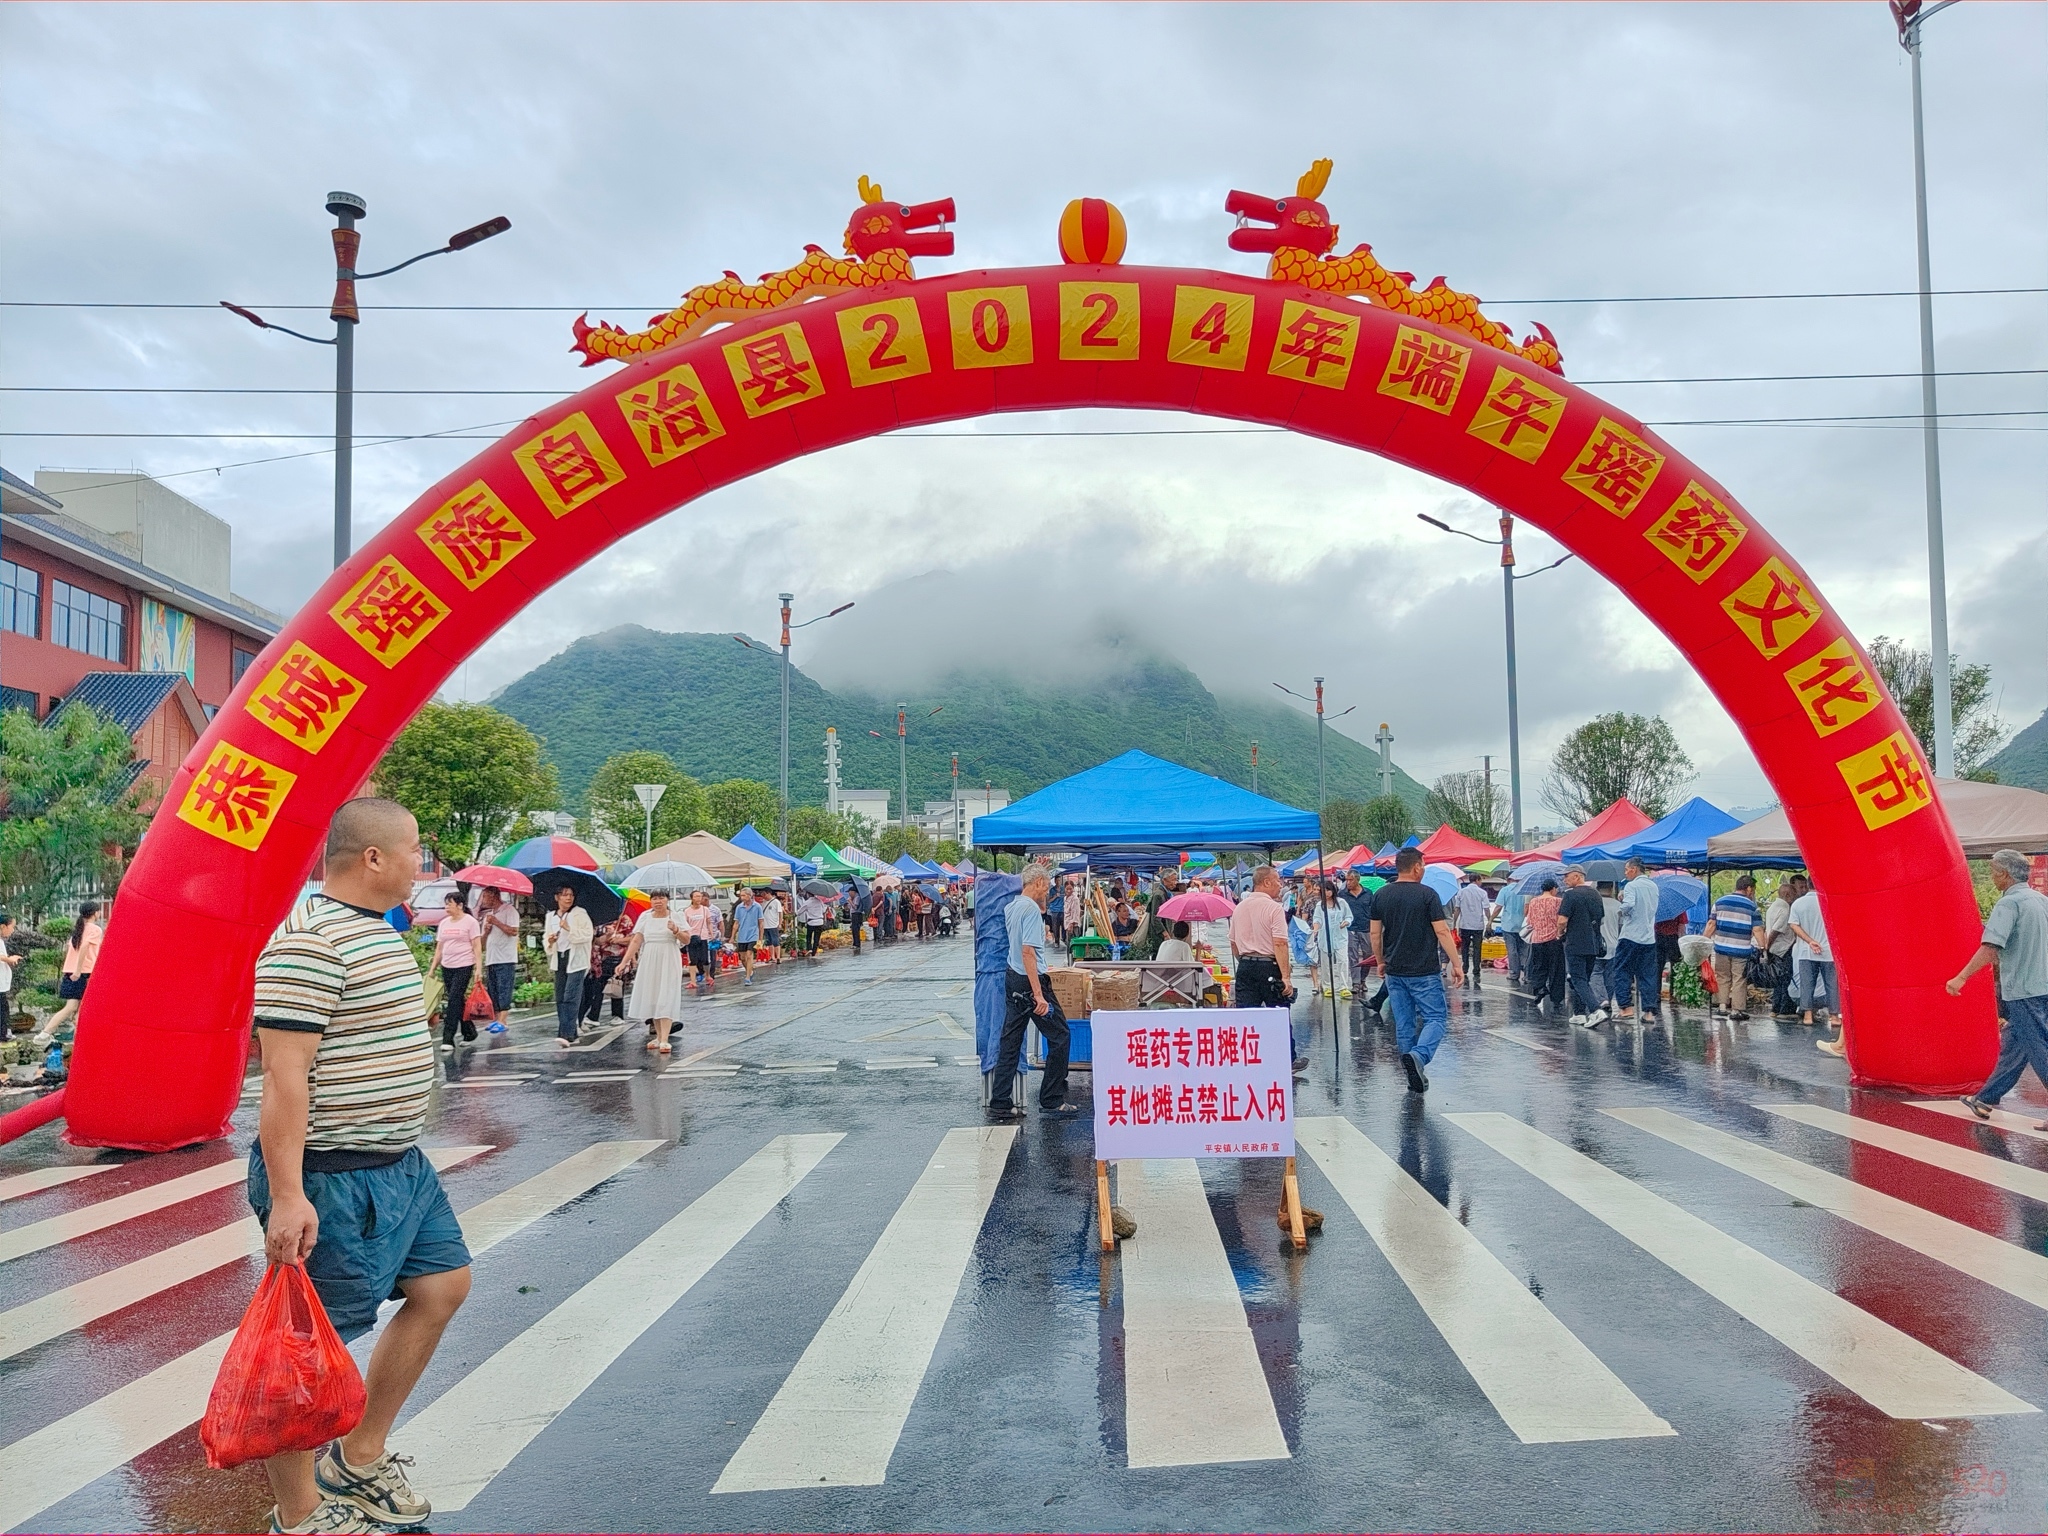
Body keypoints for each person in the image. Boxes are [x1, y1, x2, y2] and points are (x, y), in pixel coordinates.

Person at [247, 798, 468, 1535]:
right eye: (414, 851)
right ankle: (300, 1512)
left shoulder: (376, 933)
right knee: (308, 1349)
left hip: (399, 1165)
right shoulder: (309, 944)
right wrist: (287, 1195)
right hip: (332, 1178)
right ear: (373, 858)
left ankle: (359, 1457)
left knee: (442, 1286)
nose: (422, 865)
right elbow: (284, 1078)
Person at [1955, 849, 2048, 1128]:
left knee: (2039, 1049)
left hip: (2023, 989)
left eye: (1994, 871)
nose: (1993, 877)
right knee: (2015, 1044)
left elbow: (1991, 947)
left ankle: (1987, 1097)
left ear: (2004, 875)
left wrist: (1961, 977)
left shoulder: (2009, 905)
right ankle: (1986, 1098)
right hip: (2042, 986)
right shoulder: (2041, 900)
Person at [986, 864, 1078, 1122]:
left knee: (1011, 1041)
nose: (1049, 888)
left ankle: (1000, 1101)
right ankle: (1052, 1099)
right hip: (1030, 982)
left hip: (1012, 977)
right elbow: (1028, 952)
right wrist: (1039, 995)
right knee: (1060, 1035)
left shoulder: (1013, 906)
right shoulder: (1029, 911)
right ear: (1037, 881)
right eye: (1047, 884)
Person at [1371, 847, 1461, 1093]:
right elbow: (1442, 931)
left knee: (1404, 1023)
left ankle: (1412, 1074)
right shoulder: (1428, 895)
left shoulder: (1380, 895)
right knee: (1436, 1018)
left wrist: (1380, 961)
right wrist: (1456, 962)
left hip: (1394, 970)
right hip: (1424, 971)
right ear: (1417, 867)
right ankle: (1419, 1057)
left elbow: (1375, 934)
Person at [1229, 865, 1300, 1071]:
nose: (1280, 885)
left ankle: (1245, 1059)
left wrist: (1244, 960)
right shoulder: (1273, 908)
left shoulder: (1239, 907)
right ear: (1266, 882)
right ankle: (1288, 1059)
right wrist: (1286, 976)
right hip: (1269, 966)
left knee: (1247, 1016)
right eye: (1277, 880)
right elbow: (1280, 943)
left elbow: (1233, 942)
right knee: (1278, 1014)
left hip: (1245, 965)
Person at [622, 890, 687, 1053]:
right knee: (653, 996)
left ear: (667, 900)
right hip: (649, 957)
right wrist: (625, 960)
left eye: (661, 898)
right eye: (655, 899)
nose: (658, 902)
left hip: (669, 957)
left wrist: (676, 930)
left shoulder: (676, 916)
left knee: (666, 995)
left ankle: (665, 1039)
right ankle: (658, 1036)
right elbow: (637, 939)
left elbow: (687, 939)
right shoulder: (645, 917)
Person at [39, 899, 103, 1043]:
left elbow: (71, 950)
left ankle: (75, 1040)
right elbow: (85, 947)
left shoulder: (78, 929)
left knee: (79, 1008)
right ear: (95, 913)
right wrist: (79, 970)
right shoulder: (95, 929)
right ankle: (46, 1032)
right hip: (83, 972)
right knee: (74, 1006)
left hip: (71, 971)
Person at [1788, 876, 1838, 1050]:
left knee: (1807, 984)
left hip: (1806, 951)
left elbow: (1793, 925)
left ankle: (1808, 1016)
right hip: (1828, 951)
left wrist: (1809, 941)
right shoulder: (1828, 901)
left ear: (1807, 885)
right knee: (1831, 984)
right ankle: (1834, 1017)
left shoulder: (1798, 904)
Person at [1610, 858, 1662, 1022]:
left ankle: (1626, 1008)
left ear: (1633, 869)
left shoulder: (1631, 886)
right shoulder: (1653, 886)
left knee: (1622, 971)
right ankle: (1648, 1012)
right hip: (1648, 937)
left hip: (1630, 935)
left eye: (1626, 870)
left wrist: (1621, 908)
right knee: (1648, 975)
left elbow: (1629, 904)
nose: (1625, 873)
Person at [542, 885, 593, 1047]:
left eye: (571, 895)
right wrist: (549, 941)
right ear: (557, 897)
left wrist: (568, 928)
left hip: (576, 959)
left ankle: (566, 1033)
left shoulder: (580, 913)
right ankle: (569, 1031)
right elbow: (546, 937)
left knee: (571, 996)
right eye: (564, 895)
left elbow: (587, 935)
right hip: (560, 958)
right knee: (560, 996)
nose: (568, 898)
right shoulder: (550, 916)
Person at [1705, 875, 1761, 1023]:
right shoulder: (1752, 907)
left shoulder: (1720, 901)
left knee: (1722, 977)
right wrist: (1763, 946)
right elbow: (1757, 930)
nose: (1753, 893)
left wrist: (1703, 940)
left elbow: (1712, 923)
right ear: (1748, 888)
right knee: (1739, 979)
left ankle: (1722, 1006)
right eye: (1753, 890)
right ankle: (1737, 1010)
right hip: (1741, 950)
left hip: (1721, 947)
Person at [430, 893, 481, 1050]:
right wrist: (432, 969)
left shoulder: (470, 922)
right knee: (458, 1000)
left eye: (450, 904)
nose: (447, 907)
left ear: (460, 905)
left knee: (453, 999)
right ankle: (469, 1031)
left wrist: (479, 968)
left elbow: (477, 946)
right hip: (447, 965)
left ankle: (448, 1038)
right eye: (445, 904)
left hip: (464, 965)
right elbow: (439, 948)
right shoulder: (444, 923)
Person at [1557, 869, 1607, 1024]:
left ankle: (1595, 1010)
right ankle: (1579, 1013)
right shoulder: (1596, 895)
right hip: (1593, 943)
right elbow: (1601, 919)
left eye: (1566, 877)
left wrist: (1560, 933)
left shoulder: (1570, 895)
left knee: (1578, 979)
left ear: (1577, 876)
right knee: (1584, 978)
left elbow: (1562, 920)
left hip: (1575, 942)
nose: (1564, 880)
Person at [477, 888, 519, 1035]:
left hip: (506, 958)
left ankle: (503, 1020)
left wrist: (497, 922)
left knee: (504, 988)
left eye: (485, 897)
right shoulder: (488, 915)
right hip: (491, 958)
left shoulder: (509, 910)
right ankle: (496, 1019)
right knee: (493, 990)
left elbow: (514, 931)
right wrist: (486, 931)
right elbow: (481, 944)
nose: (483, 900)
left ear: (494, 896)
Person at [1762, 875, 1804, 1019]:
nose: (1795, 897)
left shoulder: (1772, 907)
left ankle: (1775, 1008)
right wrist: (1767, 946)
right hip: (1783, 949)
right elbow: (1776, 930)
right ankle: (1785, 1009)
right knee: (1785, 979)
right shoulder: (1786, 909)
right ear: (1787, 894)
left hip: (1774, 950)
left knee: (1778, 980)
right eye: (1793, 894)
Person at [1524, 878, 1565, 1016]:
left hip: (1537, 939)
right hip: (1554, 939)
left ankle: (1539, 988)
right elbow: (1562, 920)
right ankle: (1556, 998)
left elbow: (1530, 921)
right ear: (1553, 888)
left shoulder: (1534, 902)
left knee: (1539, 966)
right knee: (1556, 969)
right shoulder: (1558, 901)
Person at [584, 912, 632, 1023]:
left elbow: (633, 939)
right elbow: (594, 939)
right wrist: (607, 937)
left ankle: (617, 1015)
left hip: (619, 958)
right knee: (598, 988)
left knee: (616, 986)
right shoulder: (599, 920)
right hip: (600, 959)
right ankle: (593, 1016)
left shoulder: (625, 920)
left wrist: (618, 940)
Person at [1313, 880, 1353, 998]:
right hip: (1325, 937)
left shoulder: (1342, 903)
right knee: (1326, 963)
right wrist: (1315, 930)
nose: (1326, 893)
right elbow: (1317, 919)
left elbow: (1349, 916)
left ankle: (1344, 987)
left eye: (1328, 890)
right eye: (1323, 890)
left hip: (1340, 937)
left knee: (1343, 960)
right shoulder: (1320, 905)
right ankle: (1327, 986)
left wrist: (1346, 922)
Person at [1450, 874, 1490, 987]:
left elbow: (1457, 909)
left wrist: (1454, 923)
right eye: (1480, 880)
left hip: (1465, 924)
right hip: (1478, 925)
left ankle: (1465, 967)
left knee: (1465, 947)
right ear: (1477, 880)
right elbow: (1486, 909)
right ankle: (1476, 969)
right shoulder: (1482, 893)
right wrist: (1489, 921)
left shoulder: (1461, 892)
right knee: (1477, 948)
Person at [1342, 871, 1377, 999]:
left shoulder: (1368, 893)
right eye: (1347, 880)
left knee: (1368, 954)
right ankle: (1355, 983)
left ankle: (1363, 979)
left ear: (1357, 880)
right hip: (1350, 928)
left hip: (1365, 927)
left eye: (1350, 880)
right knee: (1353, 955)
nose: (1348, 883)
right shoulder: (1343, 895)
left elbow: (1373, 910)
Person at [682, 888, 721, 990]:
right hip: (691, 937)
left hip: (703, 937)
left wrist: (711, 934)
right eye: (696, 896)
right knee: (693, 960)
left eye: (700, 896)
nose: (699, 898)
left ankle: (707, 976)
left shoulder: (705, 910)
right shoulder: (687, 911)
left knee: (705, 960)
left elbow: (709, 923)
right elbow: (685, 925)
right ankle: (693, 981)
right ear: (692, 898)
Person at [729, 886, 764, 986]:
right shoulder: (739, 907)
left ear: (750, 895)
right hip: (742, 935)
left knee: (749, 955)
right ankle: (750, 971)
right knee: (743, 958)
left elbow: (761, 923)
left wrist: (760, 939)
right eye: (741, 896)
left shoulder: (757, 907)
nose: (742, 897)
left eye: (744, 895)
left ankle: (748, 977)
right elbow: (736, 923)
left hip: (753, 934)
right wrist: (732, 937)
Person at [797, 889, 828, 958]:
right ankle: (814, 952)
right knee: (816, 938)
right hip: (819, 922)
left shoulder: (807, 902)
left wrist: (795, 913)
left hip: (811, 922)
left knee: (809, 936)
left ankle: (809, 948)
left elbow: (800, 912)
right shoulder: (820, 901)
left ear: (808, 894)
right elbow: (823, 910)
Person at [760, 887, 783, 964]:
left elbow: (780, 913)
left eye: (764, 894)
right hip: (765, 925)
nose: (763, 896)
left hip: (773, 925)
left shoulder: (776, 902)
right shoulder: (763, 902)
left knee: (775, 941)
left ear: (769, 893)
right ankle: (772, 956)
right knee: (769, 942)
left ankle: (778, 957)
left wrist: (780, 923)